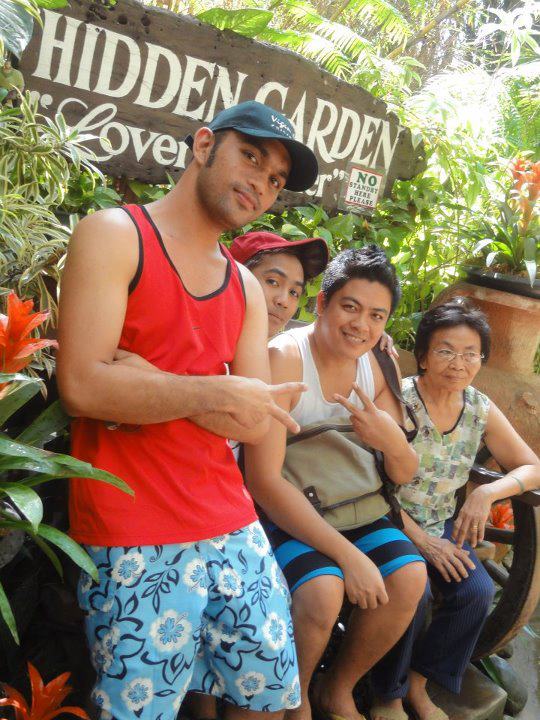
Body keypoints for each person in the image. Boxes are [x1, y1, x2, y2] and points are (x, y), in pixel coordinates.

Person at [56, 100, 320, 720]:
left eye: (276, 178)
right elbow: (84, 387)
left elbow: (252, 420)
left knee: (270, 690)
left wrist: (150, 381)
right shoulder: (115, 235)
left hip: (230, 520)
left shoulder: (245, 286)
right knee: (139, 710)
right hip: (132, 524)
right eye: (250, 156)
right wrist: (217, 393)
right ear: (204, 146)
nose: (261, 183)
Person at [243, 246, 428, 720]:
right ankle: (298, 696)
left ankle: (337, 687)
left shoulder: (378, 363)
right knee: (323, 589)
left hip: (353, 501)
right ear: (322, 304)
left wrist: (393, 442)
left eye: (376, 316)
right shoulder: (285, 358)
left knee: (409, 576)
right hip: (288, 510)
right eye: (350, 307)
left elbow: (402, 473)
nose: (361, 325)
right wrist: (348, 557)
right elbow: (263, 480)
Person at [376, 298, 540, 720]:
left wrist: (486, 494)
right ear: (424, 355)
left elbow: (532, 467)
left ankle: (418, 685)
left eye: (471, 354)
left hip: (440, 521)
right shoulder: (398, 401)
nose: (458, 363)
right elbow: (373, 484)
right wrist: (422, 541)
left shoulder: (478, 407)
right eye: (446, 350)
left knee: (476, 592)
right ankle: (387, 696)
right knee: (415, 592)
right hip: (389, 521)